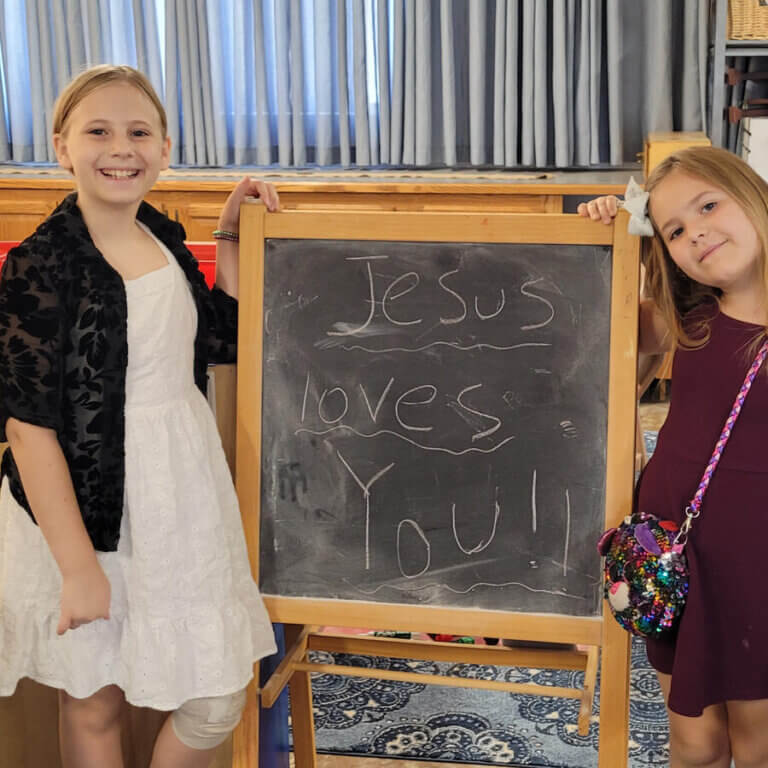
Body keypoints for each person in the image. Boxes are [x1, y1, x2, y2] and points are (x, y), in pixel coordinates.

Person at [0, 64, 280, 768]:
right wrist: (77, 568)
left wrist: (232, 236)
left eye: (138, 132)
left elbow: (221, 336)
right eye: (98, 131)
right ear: (63, 147)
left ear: (164, 148)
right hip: (87, 514)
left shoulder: (163, 235)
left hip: (181, 497)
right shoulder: (41, 263)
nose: (119, 147)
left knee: (217, 697)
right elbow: (28, 427)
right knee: (93, 698)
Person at [579, 146, 768, 768]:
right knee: (694, 741)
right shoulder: (687, 321)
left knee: (758, 740)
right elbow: (597, 343)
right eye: (675, 230)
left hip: (758, 566)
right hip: (674, 558)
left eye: (709, 205)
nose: (698, 233)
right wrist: (614, 239)